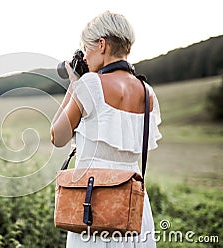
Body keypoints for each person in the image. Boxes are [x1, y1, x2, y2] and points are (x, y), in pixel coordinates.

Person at [51, 11, 162, 247]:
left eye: (86, 48)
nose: (85, 56)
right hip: (132, 209)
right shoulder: (147, 91)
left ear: (101, 44)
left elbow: (57, 136)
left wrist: (74, 85)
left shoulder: (90, 84)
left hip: (94, 204)